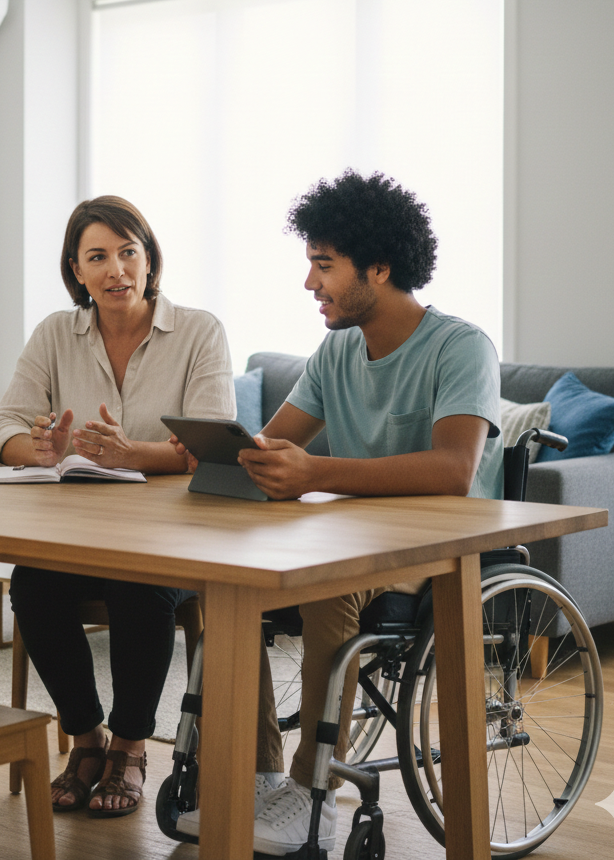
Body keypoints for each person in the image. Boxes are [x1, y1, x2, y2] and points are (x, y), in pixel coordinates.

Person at [173, 170, 502, 855]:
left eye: (323, 265)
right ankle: (257, 775)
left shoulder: (461, 347)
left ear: (378, 268)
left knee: (330, 589)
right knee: (223, 580)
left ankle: (313, 790)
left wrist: (315, 472)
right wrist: (225, 452)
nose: (309, 282)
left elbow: (453, 469)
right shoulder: (338, 350)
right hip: (350, 536)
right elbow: (274, 445)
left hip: (437, 548)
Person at [0, 195, 235, 818]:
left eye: (128, 252)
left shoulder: (199, 331)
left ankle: (130, 746)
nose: (116, 269)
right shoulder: (55, 333)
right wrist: (38, 449)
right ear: (77, 269)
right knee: (32, 585)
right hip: (82, 534)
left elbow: (212, 446)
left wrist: (133, 454)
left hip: (176, 540)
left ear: (150, 260)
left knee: (138, 586)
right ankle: (85, 737)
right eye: (97, 257)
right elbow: (2, 424)